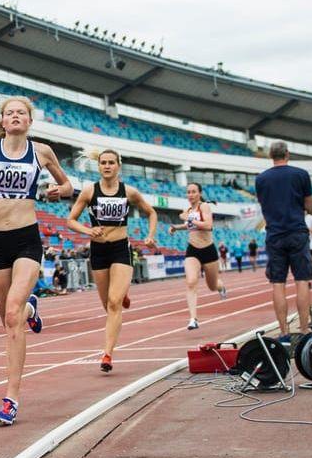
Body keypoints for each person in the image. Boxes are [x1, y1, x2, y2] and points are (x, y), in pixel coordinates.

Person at [0, 94, 75, 426]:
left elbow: (67, 184)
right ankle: (31, 309)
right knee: (10, 318)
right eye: (9, 113)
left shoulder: (41, 152)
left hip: (26, 237)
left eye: (21, 113)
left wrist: (59, 190)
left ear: (29, 120)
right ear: (2, 119)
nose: (15, 117)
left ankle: (11, 397)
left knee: (11, 316)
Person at [64, 149, 158, 373]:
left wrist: (151, 235)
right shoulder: (89, 192)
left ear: (118, 166)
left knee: (114, 304)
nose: (107, 166)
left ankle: (107, 354)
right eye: (103, 163)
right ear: (99, 166)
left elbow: (151, 213)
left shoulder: (129, 192)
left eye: (111, 163)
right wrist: (88, 230)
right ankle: (121, 290)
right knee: (107, 305)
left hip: (120, 248)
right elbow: (70, 221)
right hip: (98, 250)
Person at [253, 141, 312, 342]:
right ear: (287, 154)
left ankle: (283, 332)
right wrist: (305, 210)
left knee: (278, 283)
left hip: (274, 234)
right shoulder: (301, 174)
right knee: (302, 280)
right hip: (297, 231)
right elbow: (310, 204)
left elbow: (264, 204)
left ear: (271, 156)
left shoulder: (261, 179)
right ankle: (304, 330)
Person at [168, 182, 227, 331]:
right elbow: (190, 226)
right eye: (188, 192)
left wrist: (189, 219)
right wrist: (177, 227)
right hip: (192, 249)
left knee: (212, 286)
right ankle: (193, 319)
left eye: (194, 192)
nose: (191, 195)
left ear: (199, 193)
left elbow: (208, 225)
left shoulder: (204, 207)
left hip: (208, 250)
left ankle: (221, 286)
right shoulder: (187, 210)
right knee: (191, 282)